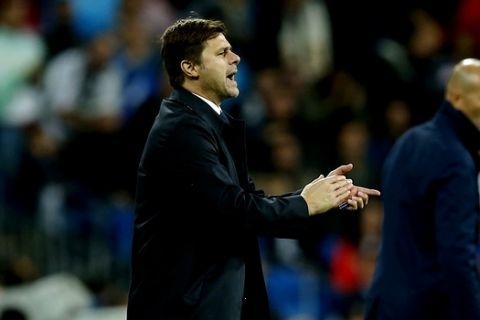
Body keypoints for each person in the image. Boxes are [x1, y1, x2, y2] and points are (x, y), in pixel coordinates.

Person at [126, 17, 381, 320]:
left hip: (208, 304)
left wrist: (325, 199)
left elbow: (248, 206)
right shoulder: (181, 129)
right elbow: (236, 210)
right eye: (221, 53)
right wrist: (305, 202)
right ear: (190, 68)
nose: (236, 58)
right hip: (184, 309)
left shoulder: (208, 123)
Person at [365, 58, 480, 319]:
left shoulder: (409, 141)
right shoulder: (456, 160)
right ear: (457, 98)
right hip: (426, 309)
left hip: (383, 304)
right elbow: (457, 257)